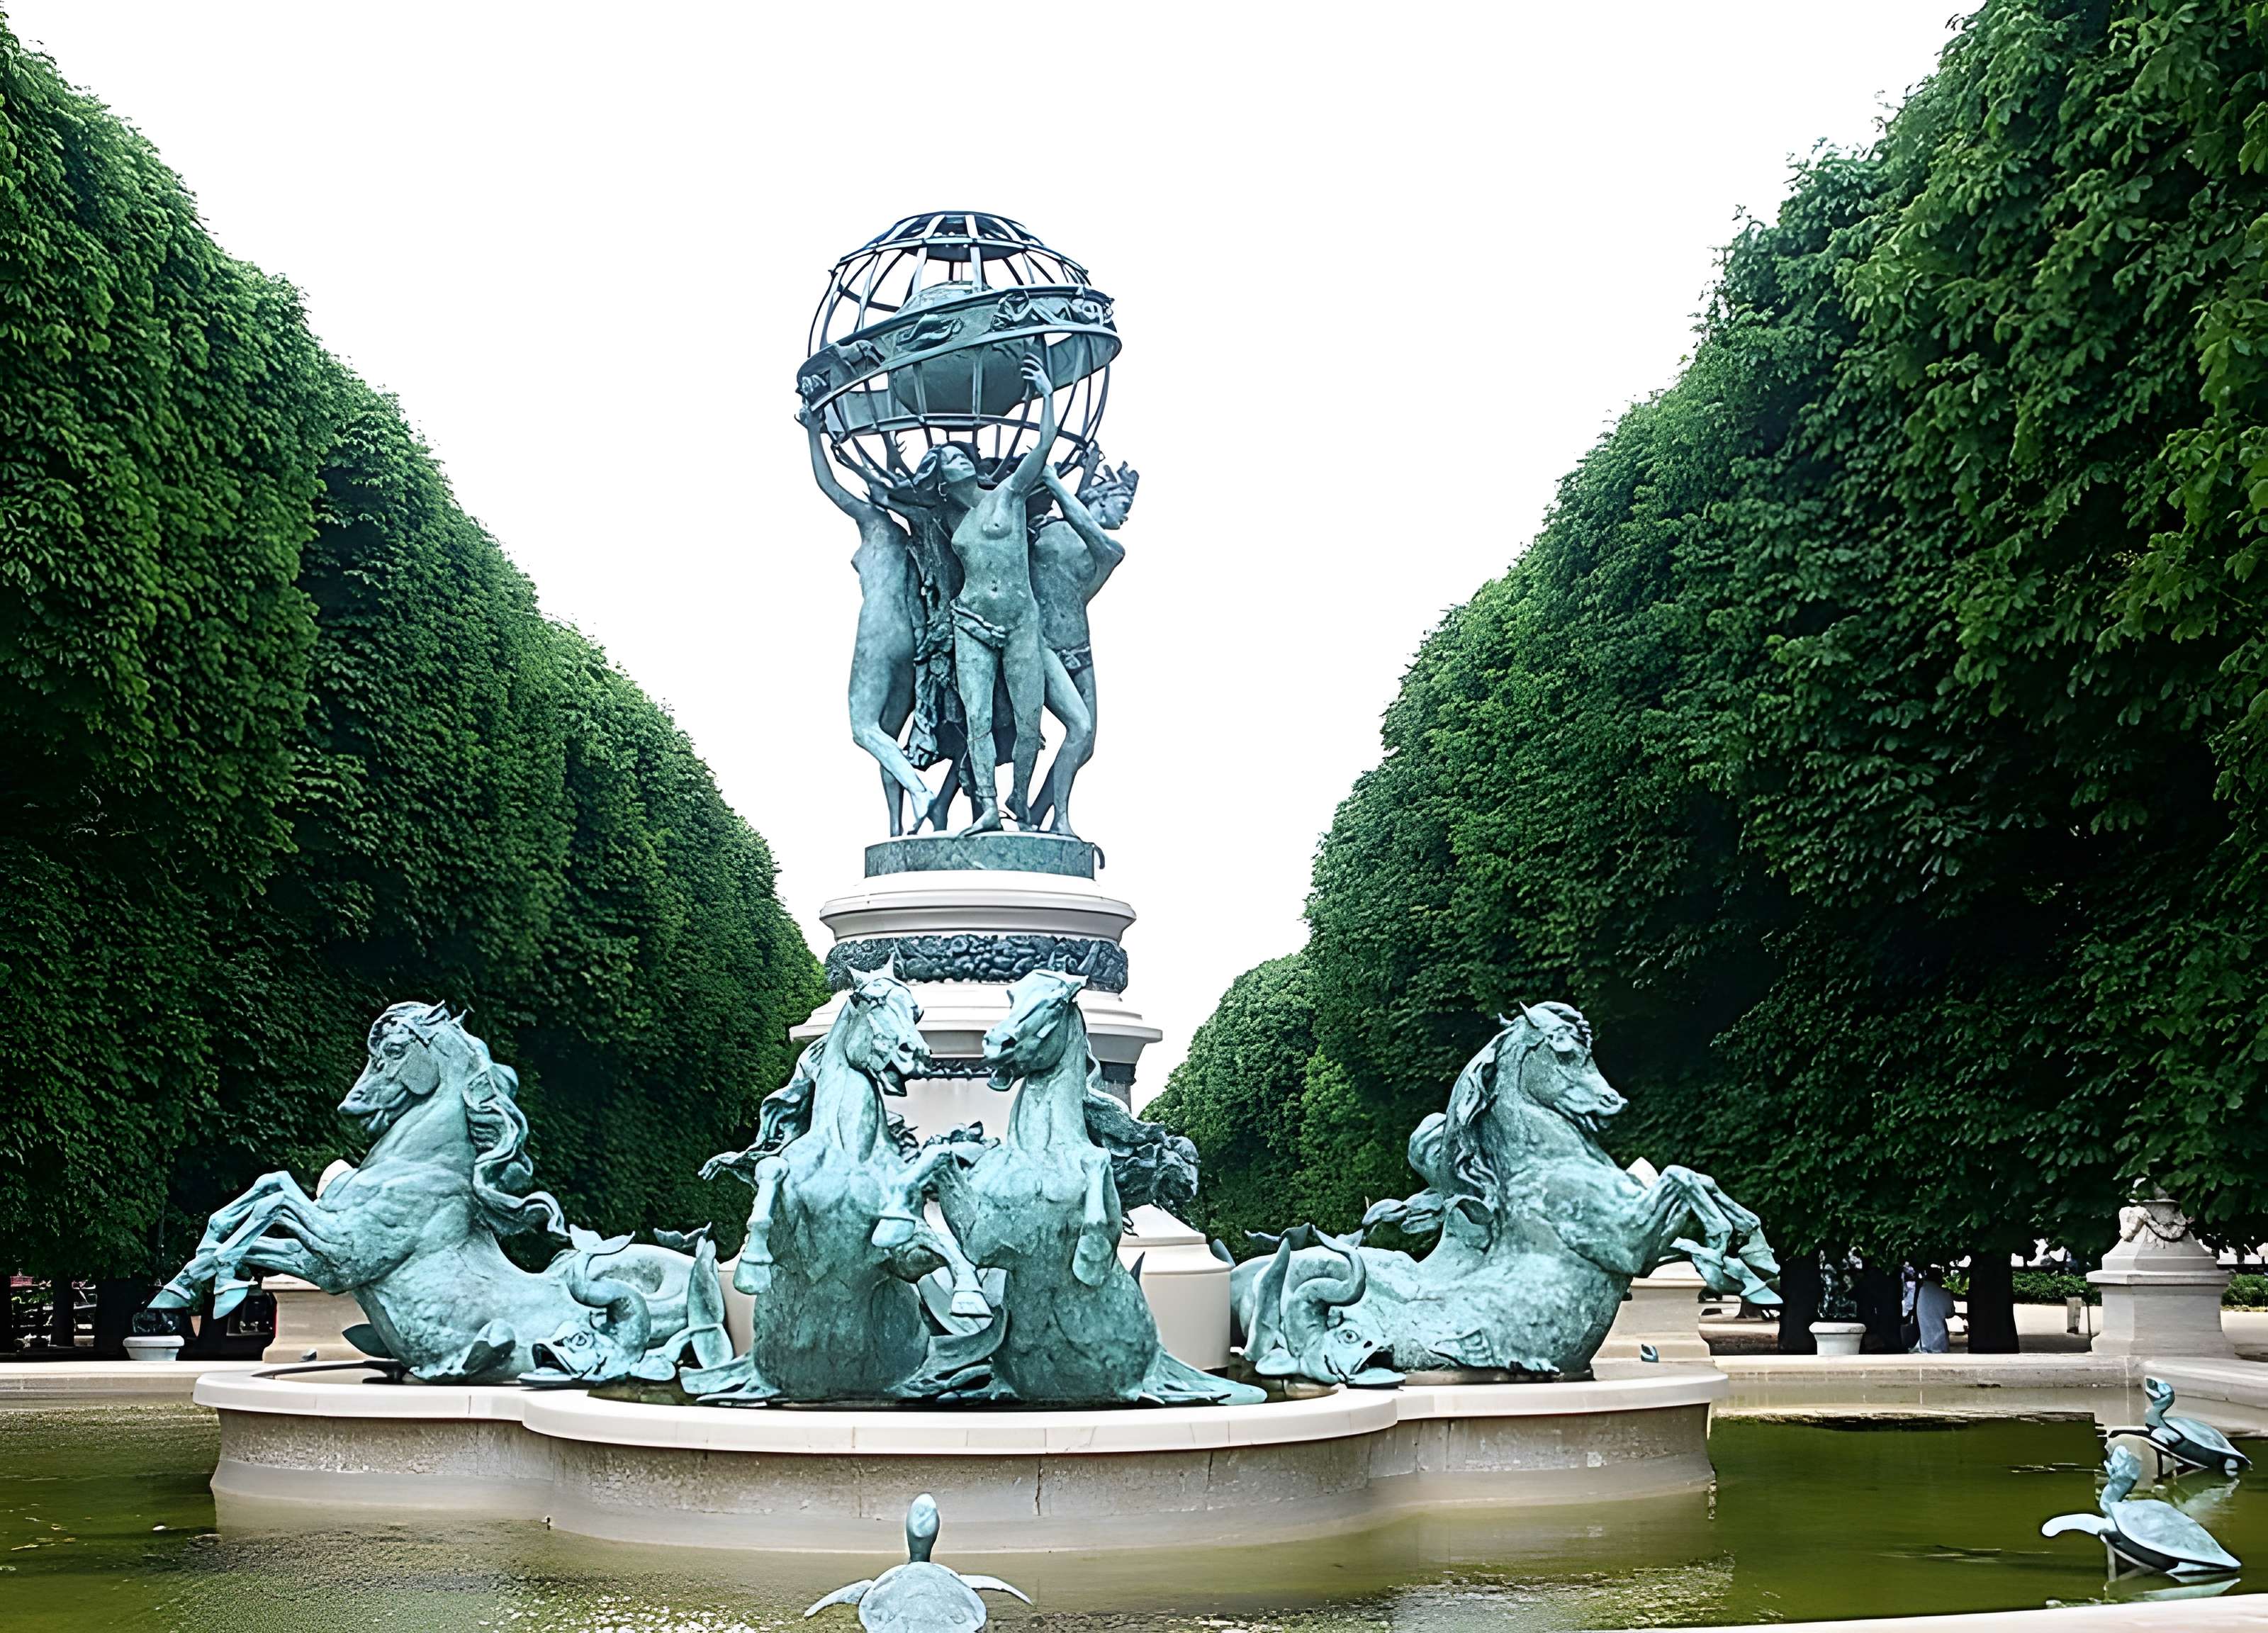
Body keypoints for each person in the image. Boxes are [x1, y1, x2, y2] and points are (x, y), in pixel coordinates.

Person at [921, 353, 1082, 835]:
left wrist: (1049, 398)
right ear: (941, 478)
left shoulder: (1008, 494)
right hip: (970, 620)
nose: (951, 461)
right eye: (943, 459)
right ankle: (989, 806)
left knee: (1032, 723)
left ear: (969, 464)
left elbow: (1043, 448)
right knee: (978, 719)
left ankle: (1022, 803)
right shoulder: (949, 519)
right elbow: (880, 493)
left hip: (1019, 621)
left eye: (955, 455)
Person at [798, 406, 931, 834]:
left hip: (878, 628)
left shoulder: (875, 526)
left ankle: (918, 790)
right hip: (912, 640)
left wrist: (814, 434)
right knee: (886, 737)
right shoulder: (918, 535)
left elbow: (828, 485)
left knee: (863, 729)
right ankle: (896, 828)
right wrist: (892, 456)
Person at [1025, 453, 1135, 838]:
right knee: (1076, 727)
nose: (1125, 518)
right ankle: (1059, 820)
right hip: (1041, 647)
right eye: (1123, 506)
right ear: (1101, 499)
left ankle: (1036, 813)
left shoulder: (1108, 550)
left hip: (1079, 650)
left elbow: (1088, 529)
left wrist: (1056, 483)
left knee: (1085, 740)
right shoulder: (1041, 530)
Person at [1914, 1266, 1954, 1353]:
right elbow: (1950, 1313)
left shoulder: (1922, 1291)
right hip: (1941, 1344)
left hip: (1924, 1345)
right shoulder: (1945, 1294)